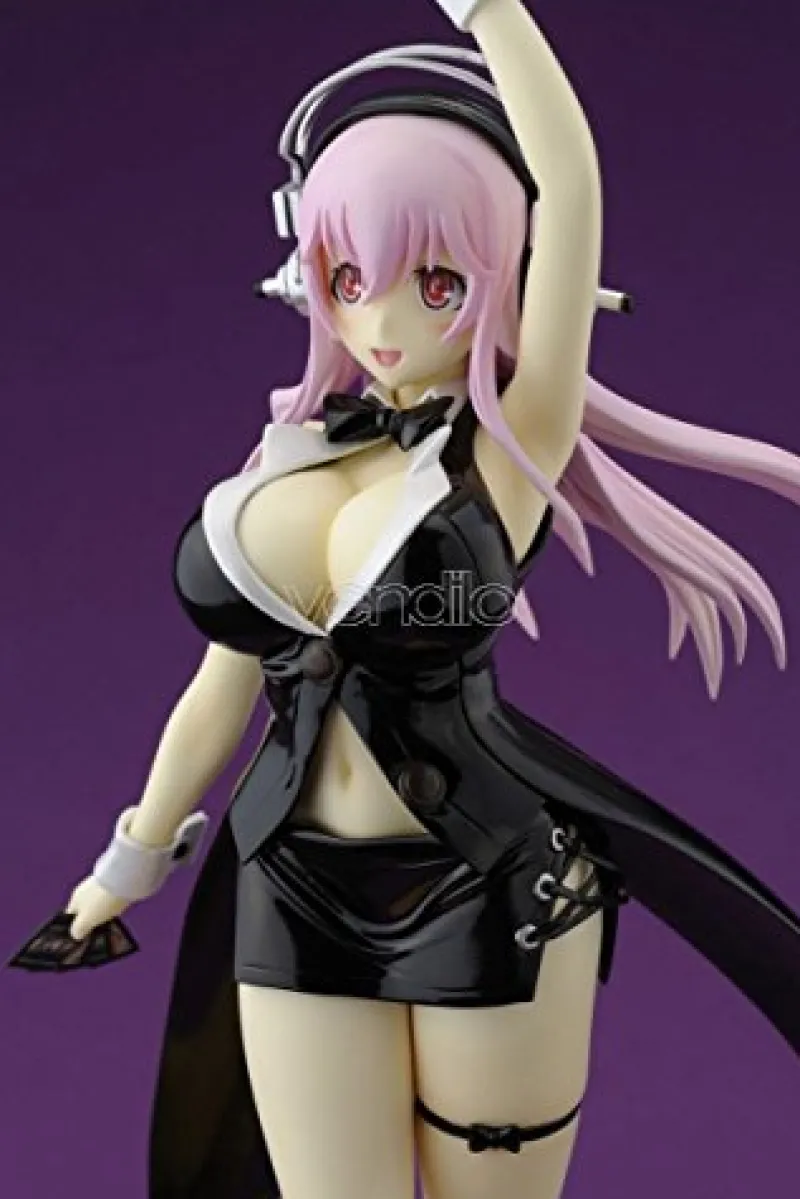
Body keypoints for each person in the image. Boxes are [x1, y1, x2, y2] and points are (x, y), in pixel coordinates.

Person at [50, 2, 800, 1198]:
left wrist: (488, 10)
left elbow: (568, 185)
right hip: (288, 878)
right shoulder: (283, 461)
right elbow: (220, 687)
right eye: (348, 278)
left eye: (436, 281)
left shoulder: (509, 447)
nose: (382, 323)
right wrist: (127, 862)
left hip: (485, 875)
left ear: (503, 277)